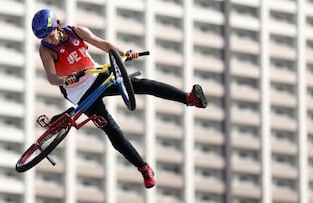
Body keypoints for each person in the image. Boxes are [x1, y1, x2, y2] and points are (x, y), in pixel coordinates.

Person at [32, 9, 207, 189]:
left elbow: (103, 44)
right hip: (78, 91)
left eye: (50, 34)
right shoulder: (45, 49)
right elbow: (52, 78)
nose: (49, 39)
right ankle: (144, 168)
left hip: (95, 76)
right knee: (112, 129)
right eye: (44, 37)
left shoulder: (75, 31)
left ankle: (189, 98)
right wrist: (67, 79)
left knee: (140, 84)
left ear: (57, 25)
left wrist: (124, 53)